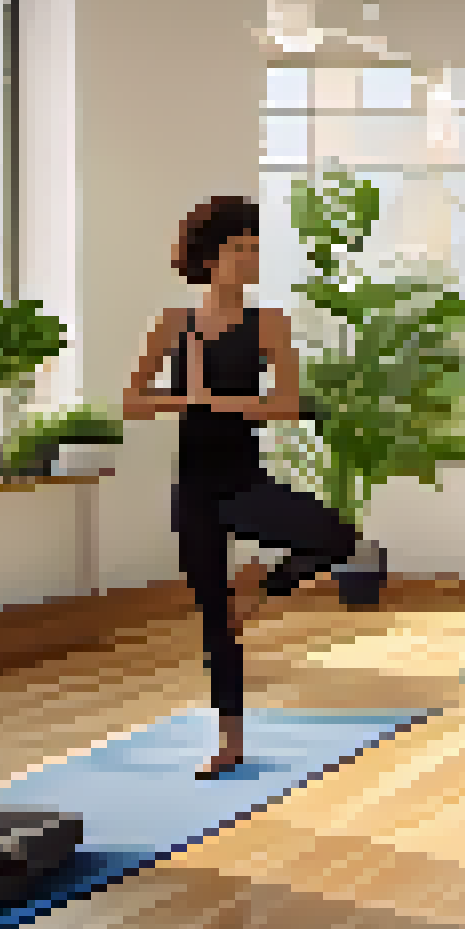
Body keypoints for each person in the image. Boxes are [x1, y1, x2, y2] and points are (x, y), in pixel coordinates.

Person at [122, 196, 360, 778]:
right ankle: (229, 742)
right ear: (210, 256)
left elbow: (286, 404)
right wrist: (187, 399)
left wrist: (219, 402)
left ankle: (257, 585)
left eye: (256, 248)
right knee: (214, 621)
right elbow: (133, 402)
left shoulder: (268, 325)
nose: (250, 259)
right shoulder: (173, 325)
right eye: (239, 248)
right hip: (196, 490)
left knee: (338, 538)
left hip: (243, 482)